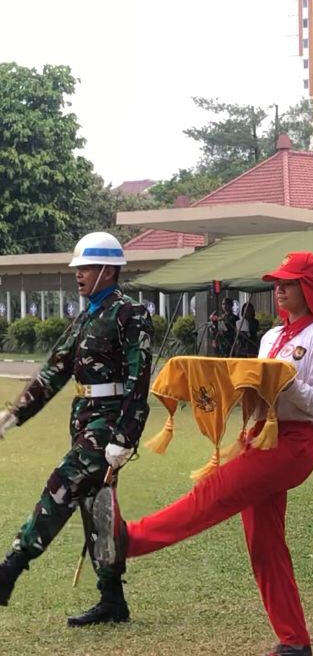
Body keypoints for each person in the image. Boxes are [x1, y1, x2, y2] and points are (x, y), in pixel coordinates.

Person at [91, 251, 313, 656]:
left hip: (294, 443)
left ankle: (128, 540)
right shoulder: (270, 338)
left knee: (213, 491)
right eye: (277, 282)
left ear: (308, 288)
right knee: (265, 543)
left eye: (289, 283)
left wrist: (282, 381)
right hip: (261, 434)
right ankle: (295, 642)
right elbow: (257, 395)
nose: (279, 289)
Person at [0, 232, 153, 625]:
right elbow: (55, 370)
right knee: (97, 509)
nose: (78, 275)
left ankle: (10, 568)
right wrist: (16, 415)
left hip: (108, 424)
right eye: (77, 268)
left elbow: (139, 380)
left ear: (107, 270)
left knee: (61, 485)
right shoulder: (86, 316)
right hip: (84, 418)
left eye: (85, 268)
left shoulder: (129, 314)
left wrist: (126, 436)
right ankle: (112, 599)